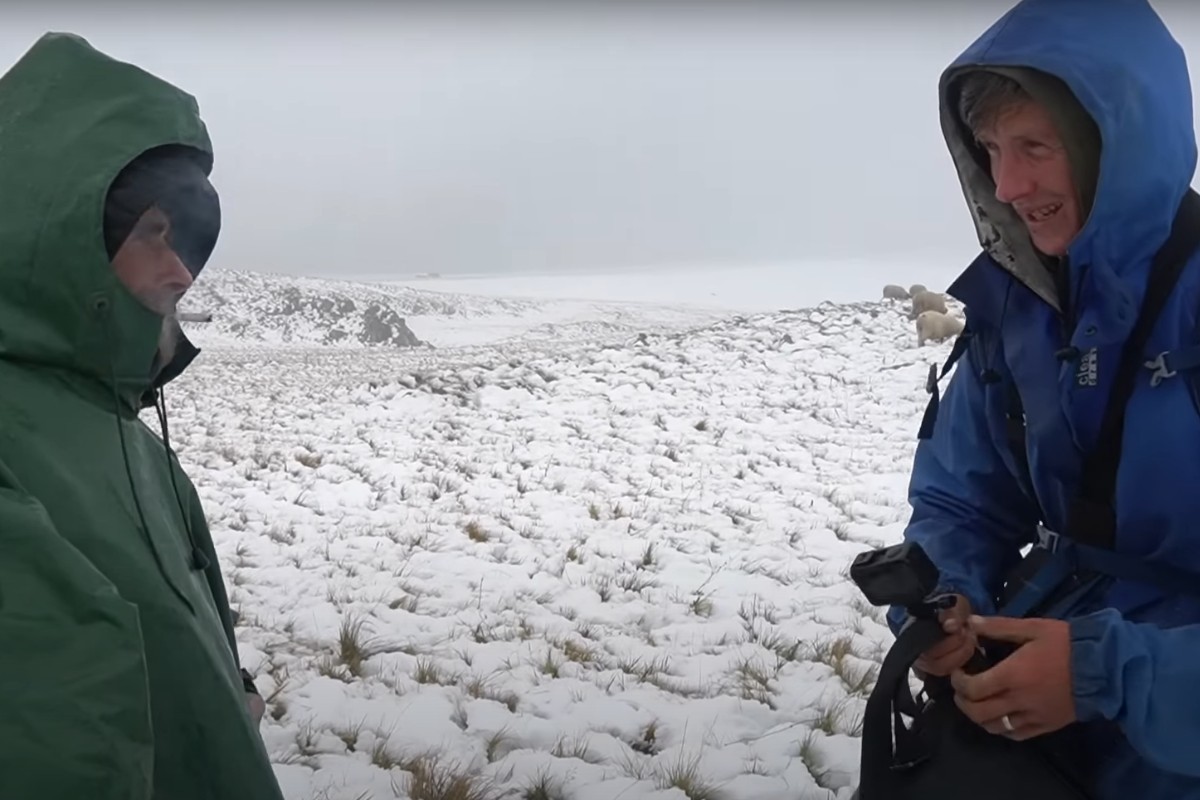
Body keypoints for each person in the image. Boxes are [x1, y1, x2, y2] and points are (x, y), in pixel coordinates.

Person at [883, 0, 1200, 797]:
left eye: (1035, 146)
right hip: (1033, 679)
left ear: (1115, 143)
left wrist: (1115, 674)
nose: (1007, 184)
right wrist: (946, 603)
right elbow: (964, 498)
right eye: (990, 148)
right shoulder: (1015, 306)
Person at [0, 32, 284, 799]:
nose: (182, 270)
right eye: (153, 234)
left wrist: (226, 691)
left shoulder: (131, 438)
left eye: (185, 237)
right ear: (64, 237)